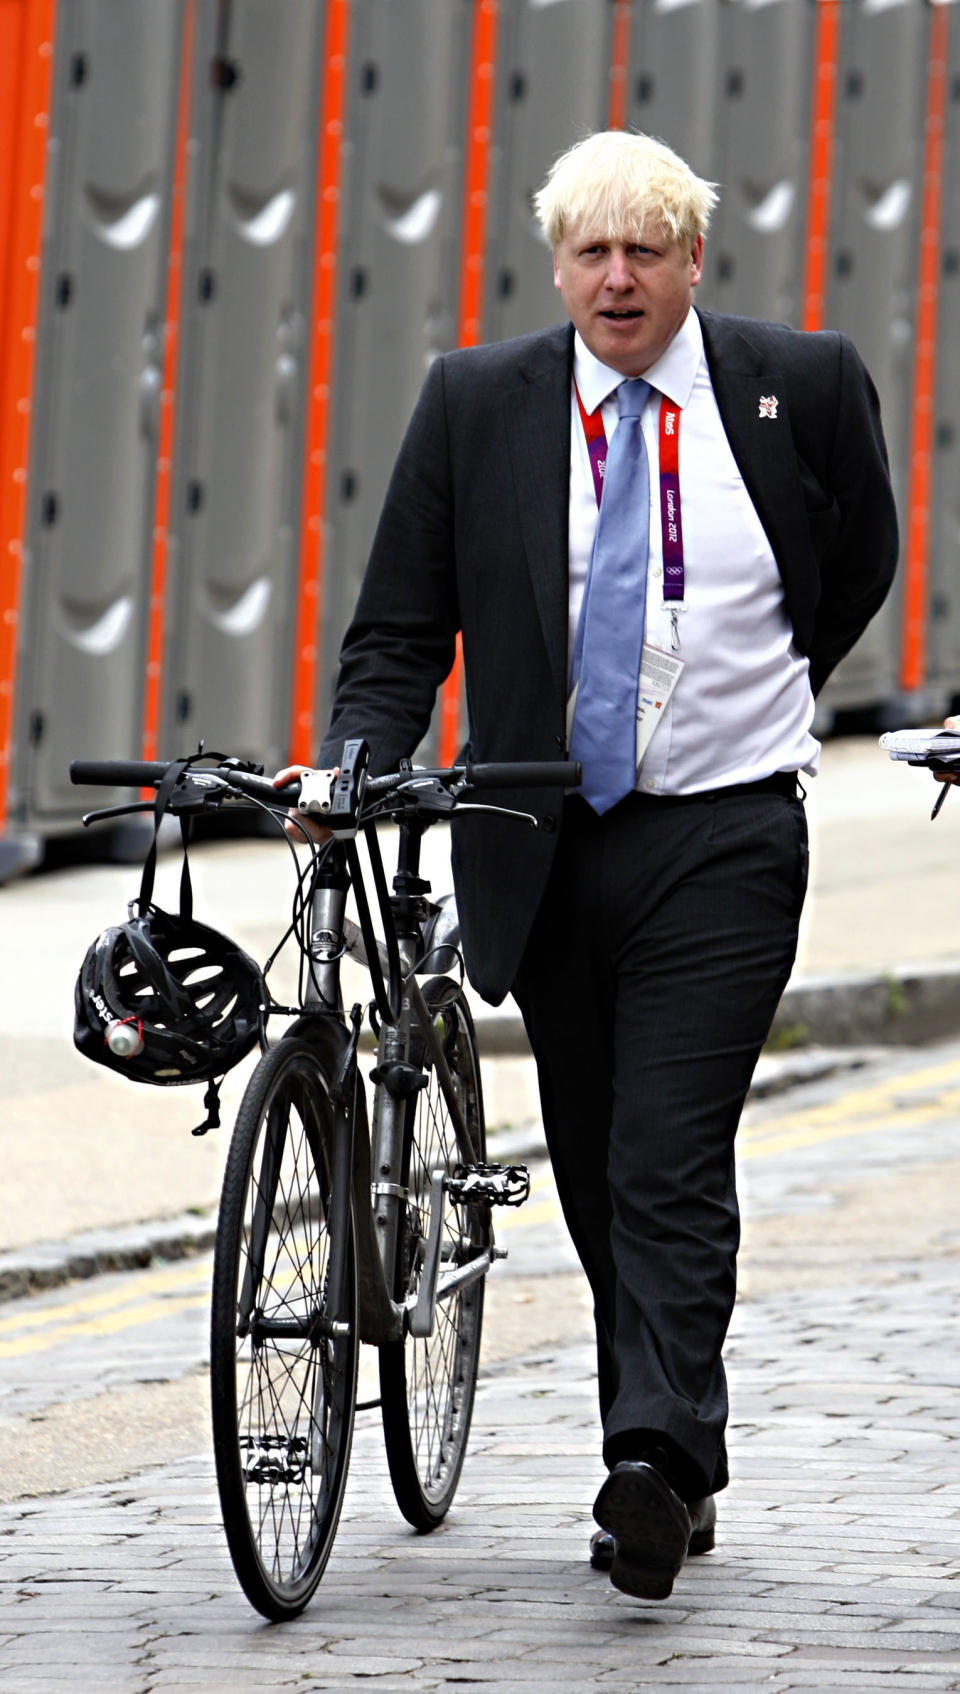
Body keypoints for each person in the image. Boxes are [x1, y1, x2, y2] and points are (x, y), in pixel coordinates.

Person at [278, 130, 898, 1601]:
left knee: (668, 1149)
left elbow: (855, 560)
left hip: (726, 832)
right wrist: (356, 759)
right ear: (557, 265)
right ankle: (677, 1431)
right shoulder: (477, 404)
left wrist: (770, 690)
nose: (618, 278)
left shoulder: (796, 385)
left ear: (695, 258)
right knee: (594, 1154)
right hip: (540, 835)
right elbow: (398, 630)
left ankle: (654, 1462)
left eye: (648, 249)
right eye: (592, 252)